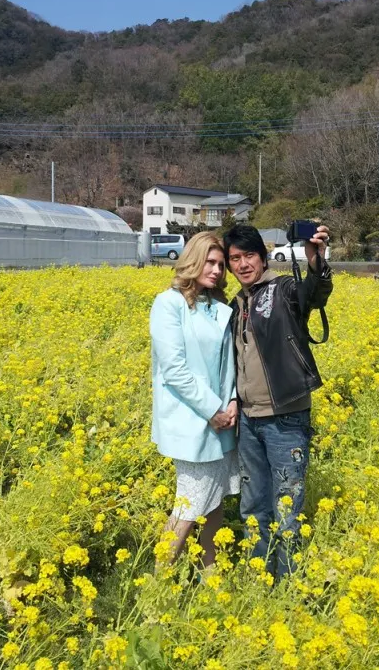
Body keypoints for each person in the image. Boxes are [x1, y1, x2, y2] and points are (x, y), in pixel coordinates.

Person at [223, 223, 332, 577]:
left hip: (285, 418)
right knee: (253, 507)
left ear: (263, 256)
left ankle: (288, 588)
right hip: (249, 421)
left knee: (287, 511)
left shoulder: (282, 289)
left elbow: (312, 295)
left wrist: (316, 262)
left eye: (249, 255)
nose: (242, 264)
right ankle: (259, 578)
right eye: (234, 259)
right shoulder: (236, 303)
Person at [150, 232, 239, 568]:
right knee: (189, 505)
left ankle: (209, 573)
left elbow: (228, 365)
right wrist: (213, 409)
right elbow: (174, 369)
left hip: (221, 422)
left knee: (215, 502)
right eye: (210, 262)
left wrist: (232, 402)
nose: (216, 270)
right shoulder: (168, 303)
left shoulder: (219, 309)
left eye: (220, 264)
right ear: (193, 260)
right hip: (192, 422)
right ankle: (157, 585)